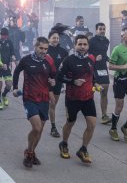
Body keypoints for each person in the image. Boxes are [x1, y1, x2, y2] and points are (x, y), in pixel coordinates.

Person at [12, 37, 56, 168]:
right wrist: (15, 87)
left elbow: (53, 76)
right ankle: (29, 152)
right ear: (35, 47)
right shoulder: (26, 60)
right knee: (36, 127)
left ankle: (31, 151)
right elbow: (16, 72)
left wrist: (52, 85)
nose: (43, 51)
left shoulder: (49, 61)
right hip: (29, 98)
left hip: (44, 99)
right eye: (41, 48)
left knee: (40, 130)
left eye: (46, 49)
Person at [57, 35, 99, 164]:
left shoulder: (91, 59)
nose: (82, 47)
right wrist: (73, 81)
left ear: (88, 46)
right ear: (75, 45)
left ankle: (83, 149)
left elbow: (92, 74)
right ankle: (64, 143)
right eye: (79, 44)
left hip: (88, 98)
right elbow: (59, 77)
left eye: (84, 44)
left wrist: (95, 84)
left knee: (92, 125)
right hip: (72, 98)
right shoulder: (68, 60)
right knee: (70, 123)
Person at [46, 30, 68, 137]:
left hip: (58, 81)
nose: (56, 40)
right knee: (51, 102)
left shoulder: (63, 51)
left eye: (57, 38)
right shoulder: (44, 50)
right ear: (49, 38)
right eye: (54, 38)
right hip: (45, 81)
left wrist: (65, 80)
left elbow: (67, 67)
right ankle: (51, 126)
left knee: (53, 104)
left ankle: (52, 126)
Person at [88, 23, 111, 124]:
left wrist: (109, 59)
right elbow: (85, 53)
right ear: (96, 30)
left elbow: (104, 54)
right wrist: (94, 58)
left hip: (102, 68)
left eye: (103, 29)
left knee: (104, 90)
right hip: (93, 68)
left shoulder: (106, 41)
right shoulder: (91, 41)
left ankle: (104, 115)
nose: (102, 30)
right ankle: (87, 112)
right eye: (100, 29)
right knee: (91, 91)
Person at [0, 28, 15, 110]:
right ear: (0, 34)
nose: (4, 37)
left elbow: (12, 52)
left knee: (9, 85)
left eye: (6, 36)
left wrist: (13, 57)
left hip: (7, 68)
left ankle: (4, 95)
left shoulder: (9, 42)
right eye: (3, 35)